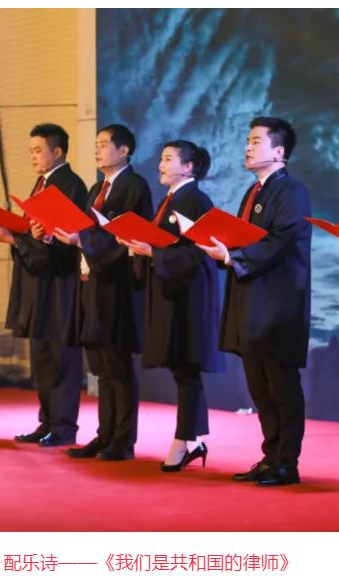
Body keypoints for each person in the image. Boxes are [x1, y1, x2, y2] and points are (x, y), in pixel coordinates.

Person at [199, 117, 311, 486]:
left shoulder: (291, 191)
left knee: (281, 384)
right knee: (260, 386)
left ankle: (287, 463)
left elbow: (280, 241)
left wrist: (232, 256)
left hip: (278, 304)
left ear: (279, 151)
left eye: (256, 141)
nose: (248, 147)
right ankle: (270, 456)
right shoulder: (254, 191)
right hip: (252, 300)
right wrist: (224, 247)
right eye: (247, 141)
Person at [0, 124, 87, 447]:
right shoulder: (43, 183)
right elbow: (38, 233)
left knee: (60, 356)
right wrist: (21, 234)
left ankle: (64, 426)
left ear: (58, 151)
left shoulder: (71, 185)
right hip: (39, 282)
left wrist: (18, 238)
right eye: (30, 151)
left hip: (60, 282)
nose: (33, 157)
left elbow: (66, 238)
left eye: (38, 150)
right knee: (42, 355)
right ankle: (47, 421)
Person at [121, 140, 223, 471]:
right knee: (182, 369)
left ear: (188, 167)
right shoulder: (172, 199)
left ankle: (184, 440)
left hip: (188, 295)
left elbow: (197, 251)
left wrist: (153, 252)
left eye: (168, 159)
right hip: (172, 292)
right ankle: (192, 439)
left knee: (186, 367)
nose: (160, 165)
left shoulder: (195, 200)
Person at [54, 124, 153, 462]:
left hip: (116, 286)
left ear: (124, 150)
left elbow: (129, 237)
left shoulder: (134, 187)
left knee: (117, 366)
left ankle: (122, 440)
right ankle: (104, 434)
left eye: (104, 144)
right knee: (100, 367)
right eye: (95, 144)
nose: (97, 150)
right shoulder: (97, 187)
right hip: (90, 282)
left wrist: (83, 239)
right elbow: (84, 229)